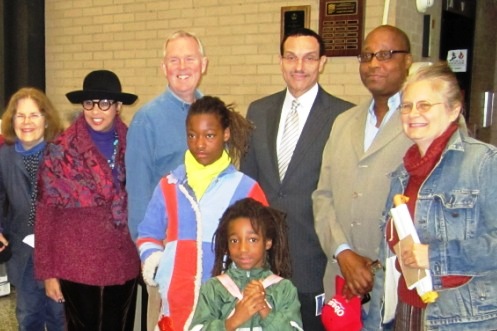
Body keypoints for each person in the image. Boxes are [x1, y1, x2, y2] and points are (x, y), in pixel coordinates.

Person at [240, 27, 353, 330]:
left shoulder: (343, 117)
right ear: (280, 61)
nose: (299, 67)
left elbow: (343, 194)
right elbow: (248, 187)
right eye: (291, 57)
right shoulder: (259, 110)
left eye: (308, 58)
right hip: (263, 264)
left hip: (313, 261)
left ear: (322, 62)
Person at [377, 61, 497, 330]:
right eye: (406, 106)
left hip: (462, 319)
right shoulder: (402, 174)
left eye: (425, 105)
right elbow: (390, 254)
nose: (412, 113)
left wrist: (436, 256)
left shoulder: (484, 162)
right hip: (406, 312)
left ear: (454, 109)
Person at [312, 25, 414, 329]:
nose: (373, 64)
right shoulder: (344, 122)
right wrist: (343, 253)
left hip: (398, 287)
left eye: (385, 55)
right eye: (366, 56)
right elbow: (323, 196)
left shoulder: (422, 120)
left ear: (407, 61)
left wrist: (376, 266)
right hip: (342, 285)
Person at [136, 96, 267, 331]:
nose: (199, 144)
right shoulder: (169, 185)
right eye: (192, 135)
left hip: (226, 307)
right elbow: (147, 233)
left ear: (225, 134)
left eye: (209, 135)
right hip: (173, 303)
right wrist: (158, 264)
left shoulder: (246, 188)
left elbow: (264, 247)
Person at [34, 70, 140, 331]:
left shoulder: (135, 144)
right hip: (76, 262)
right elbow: (45, 214)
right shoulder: (61, 149)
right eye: (90, 103)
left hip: (122, 258)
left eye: (104, 103)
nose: (96, 111)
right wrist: (47, 272)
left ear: (117, 106)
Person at [126, 31, 207, 330]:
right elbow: (137, 191)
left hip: (208, 247)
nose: (182, 66)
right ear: (164, 68)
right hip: (168, 251)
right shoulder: (147, 119)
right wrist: (149, 253)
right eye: (174, 59)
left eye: (189, 58)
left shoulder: (214, 112)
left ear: (203, 64)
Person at [0, 88, 65, 331]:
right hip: (23, 253)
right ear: (12, 119)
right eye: (20, 115)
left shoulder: (62, 154)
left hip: (59, 252)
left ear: (46, 119)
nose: (27, 122)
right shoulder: (4, 156)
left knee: (59, 317)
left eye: (34, 115)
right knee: (28, 318)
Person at [189, 198, 303, 331]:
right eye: (234, 240)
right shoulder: (214, 289)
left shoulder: (283, 289)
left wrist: (264, 309)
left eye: (252, 240)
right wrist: (233, 321)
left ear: (267, 242)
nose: (243, 249)